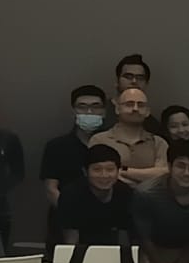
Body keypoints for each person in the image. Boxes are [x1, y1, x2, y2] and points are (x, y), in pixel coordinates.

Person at [40, 83, 109, 212]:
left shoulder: (112, 144)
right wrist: (72, 214)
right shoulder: (56, 147)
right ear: (73, 112)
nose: (89, 112)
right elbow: (51, 189)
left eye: (95, 107)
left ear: (104, 112)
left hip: (108, 217)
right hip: (66, 217)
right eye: (82, 107)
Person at [56, 143, 138, 246]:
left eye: (110, 169)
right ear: (85, 171)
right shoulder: (71, 195)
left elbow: (125, 236)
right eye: (97, 170)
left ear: (118, 171)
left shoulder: (125, 193)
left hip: (112, 247)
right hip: (80, 246)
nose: (104, 175)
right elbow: (71, 240)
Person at [93, 86, 170, 189]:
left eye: (141, 105)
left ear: (147, 111)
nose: (135, 109)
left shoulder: (159, 143)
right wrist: (144, 179)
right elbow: (99, 176)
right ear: (117, 109)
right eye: (129, 104)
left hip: (150, 199)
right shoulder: (99, 140)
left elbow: (163, 175)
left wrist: (123, 170)